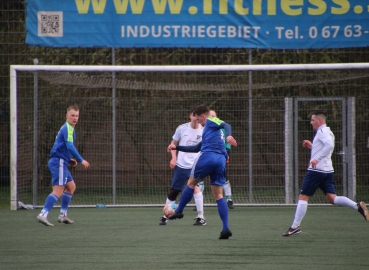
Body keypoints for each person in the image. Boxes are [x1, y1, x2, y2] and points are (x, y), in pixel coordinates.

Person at [282, 111, 368, 236]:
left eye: (312, 120)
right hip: (327, 171)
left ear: (319, 121)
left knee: (303, 197)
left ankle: (295, 227)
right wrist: (312, 146)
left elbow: (329, 146)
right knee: (332, 198)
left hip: (317, 171)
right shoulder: (327, 132)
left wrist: (317, 159)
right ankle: (357, 207)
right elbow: (325, 148)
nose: (311, 122)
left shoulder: (322, 132)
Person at [167, 104, 237, 239]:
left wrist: (229, 136)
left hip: (208, 157)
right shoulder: (210, 131)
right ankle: (225, 228)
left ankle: (180, 210)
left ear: (203, 116)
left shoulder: (211, 121)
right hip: (220, 161)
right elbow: (195, 148)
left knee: (191, 183)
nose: (197, 122)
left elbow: (226, 125)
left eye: (198, 119)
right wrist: (176, 147)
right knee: (218, 195)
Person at [36, 105, 90, 226]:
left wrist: (69, 159)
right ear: (67, 116)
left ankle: (63, 215)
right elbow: (70, 146)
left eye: (77, 116)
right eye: (72, 115)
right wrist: (81, 160)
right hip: (58, 162)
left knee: (71, 187)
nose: (75, 118)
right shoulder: (68, 128)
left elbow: (62, 146)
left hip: (62, 161)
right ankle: (43, 214)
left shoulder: (69, 128)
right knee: (58, 190)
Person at [160, 107, 206, 226]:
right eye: (193, 115)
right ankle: (165, 216)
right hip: (181, 165)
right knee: (174, 191)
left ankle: (201, 217)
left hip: (195, 165)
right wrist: (174, 158)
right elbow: (173, 144)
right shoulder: (181, 128)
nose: (195, 118)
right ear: (190, 116)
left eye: (198, 116)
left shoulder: (204, 130)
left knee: (195, 188)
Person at [195, 110, 235, 210]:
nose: (211, 118)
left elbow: (227, 142)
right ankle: (199, 202)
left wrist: (227, 153)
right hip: (205, 155)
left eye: (213, 116)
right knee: (200, 178)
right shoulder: (203, 127)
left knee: (223, 177)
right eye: (210, 116)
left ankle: (229, 199)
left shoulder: (221, 127)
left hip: (219, 156)